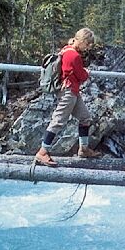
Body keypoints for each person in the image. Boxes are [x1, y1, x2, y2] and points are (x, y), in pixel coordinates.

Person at [34, 28, 102, 166]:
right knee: (58, 120)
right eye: (87, 44)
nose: (88, 47)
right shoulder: (74, 56)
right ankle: (42, 152)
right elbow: (81, 75)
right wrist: (86, 72)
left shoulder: (66, 50)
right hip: (69, 92)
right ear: (82, 41)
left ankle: (83, 149)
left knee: (85, 117)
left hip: (71, 91)